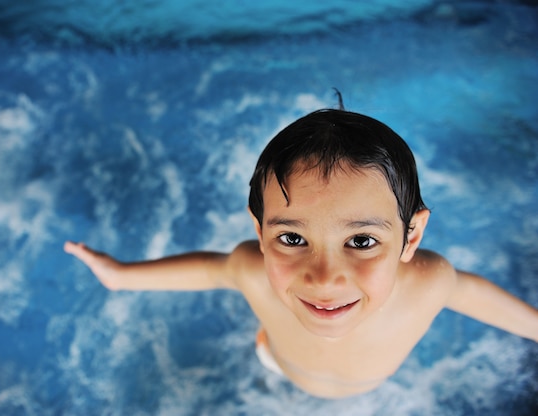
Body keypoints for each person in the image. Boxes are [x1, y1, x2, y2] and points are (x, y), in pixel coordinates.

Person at [64, 108, 538, 398]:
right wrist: (123, 275)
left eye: (362, 241)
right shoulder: (250, 268)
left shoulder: (430, 283)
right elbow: (210, 269)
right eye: (292, 239)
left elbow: (474, 294)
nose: (324, 279)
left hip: (370, 384)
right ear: (260, 230)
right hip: (279, 360)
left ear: (411, 237)